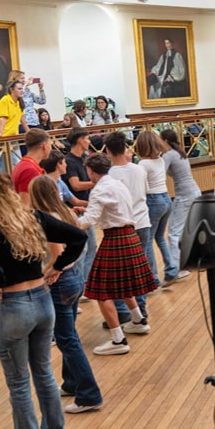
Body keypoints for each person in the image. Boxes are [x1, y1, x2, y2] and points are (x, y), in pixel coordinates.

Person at [0, 171, 86, 429]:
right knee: (45, 374)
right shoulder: (31, 217)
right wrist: (58, 266)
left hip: (13, 307)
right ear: (10, 192)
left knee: (19, 384)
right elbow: (79, 236)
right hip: (42, 300)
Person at [28, 176, 102, 414]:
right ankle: (71, 382)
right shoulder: (66, 212)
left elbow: (57, 252)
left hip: (61, 281)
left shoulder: (49, 219)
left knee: (65, 337)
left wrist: (45, 273)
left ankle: (89, 394)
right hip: (75, 279)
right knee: (68, 333)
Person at [77, 152, 156, 356]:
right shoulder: (117, 184)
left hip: (114, 237)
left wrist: (67, 223)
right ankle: (138, 320)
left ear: (90, 171)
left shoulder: (98, 189)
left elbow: (90, 220)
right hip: (130, 234)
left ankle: (118, 339)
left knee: (101, 290)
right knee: (124, 283)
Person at [158, 128, 198, 286]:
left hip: (185, 195)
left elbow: (159, 173)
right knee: (185, 229)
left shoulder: (168, 155)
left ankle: (178, 268)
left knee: (174, 232)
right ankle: (190, 261)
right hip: (194, 191)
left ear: (165, 141)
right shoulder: (180, 153)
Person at [134, 130, 171, 289]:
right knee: (161, 237)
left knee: (148, 240)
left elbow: (142, 186)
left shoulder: (143, 164)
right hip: (166, 198)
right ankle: (171, 268)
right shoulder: (160, 160)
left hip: (153, 200)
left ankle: (153, 277)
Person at [62, 129, 97, 280]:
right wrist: (96, 182)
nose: (89, 141)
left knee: (91, 247)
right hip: (75, 211)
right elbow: (75, 185)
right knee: (83, 249)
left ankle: (87, 282)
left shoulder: (84, 158)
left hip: (85, 208)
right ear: (80, 140)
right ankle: (81, 283)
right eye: (87, 138)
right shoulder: (69, 161)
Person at [11, 127, 51, 204]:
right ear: (44, 146)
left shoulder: (26, 164)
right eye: (50, 145)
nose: (50, 148)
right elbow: (27, 205)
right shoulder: (30, 170)